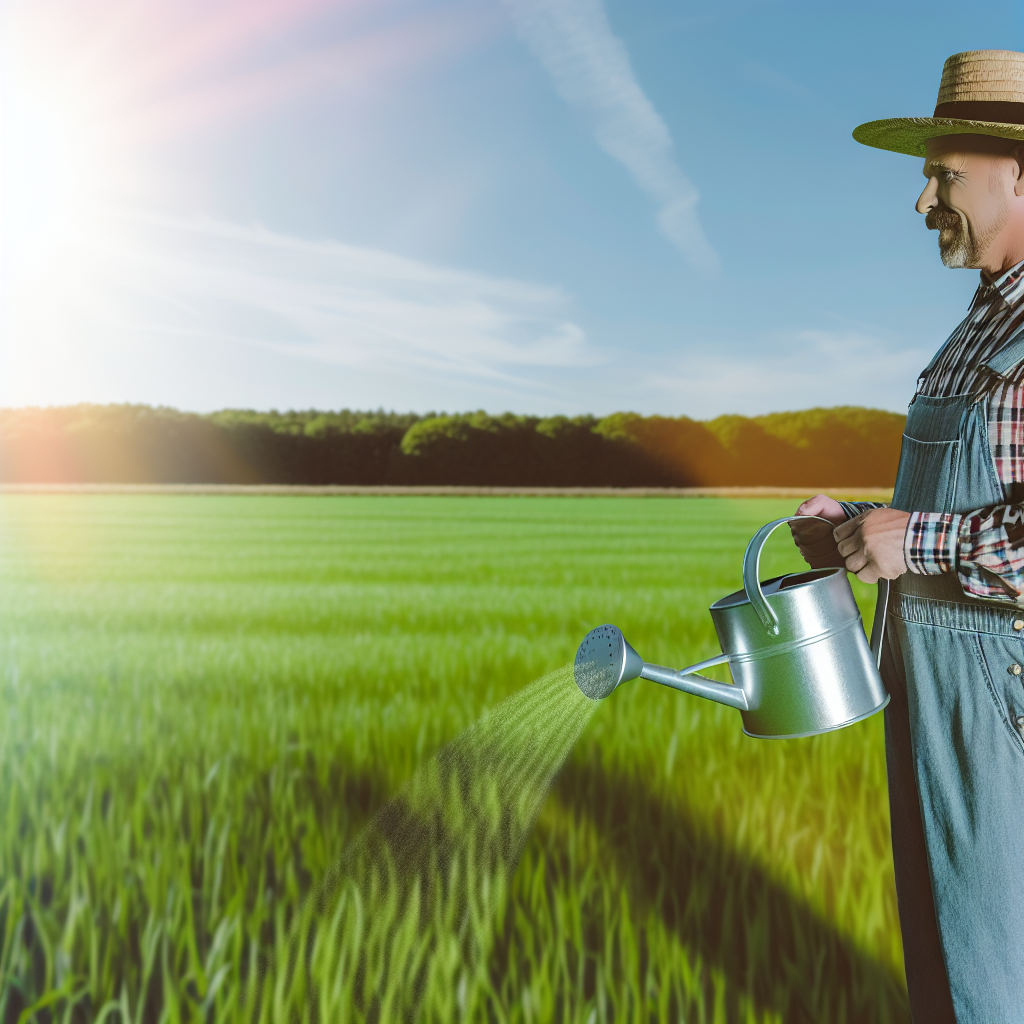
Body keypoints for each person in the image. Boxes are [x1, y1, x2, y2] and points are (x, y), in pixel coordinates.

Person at [791, 50, 1024, 1024]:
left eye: (941, 174)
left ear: (1017, 174)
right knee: (944, 947)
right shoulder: (979, 322)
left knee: (994, 965)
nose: (920, 199)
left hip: (998, 686)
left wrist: (914, 542)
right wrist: (855, 533)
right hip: (927, 671)